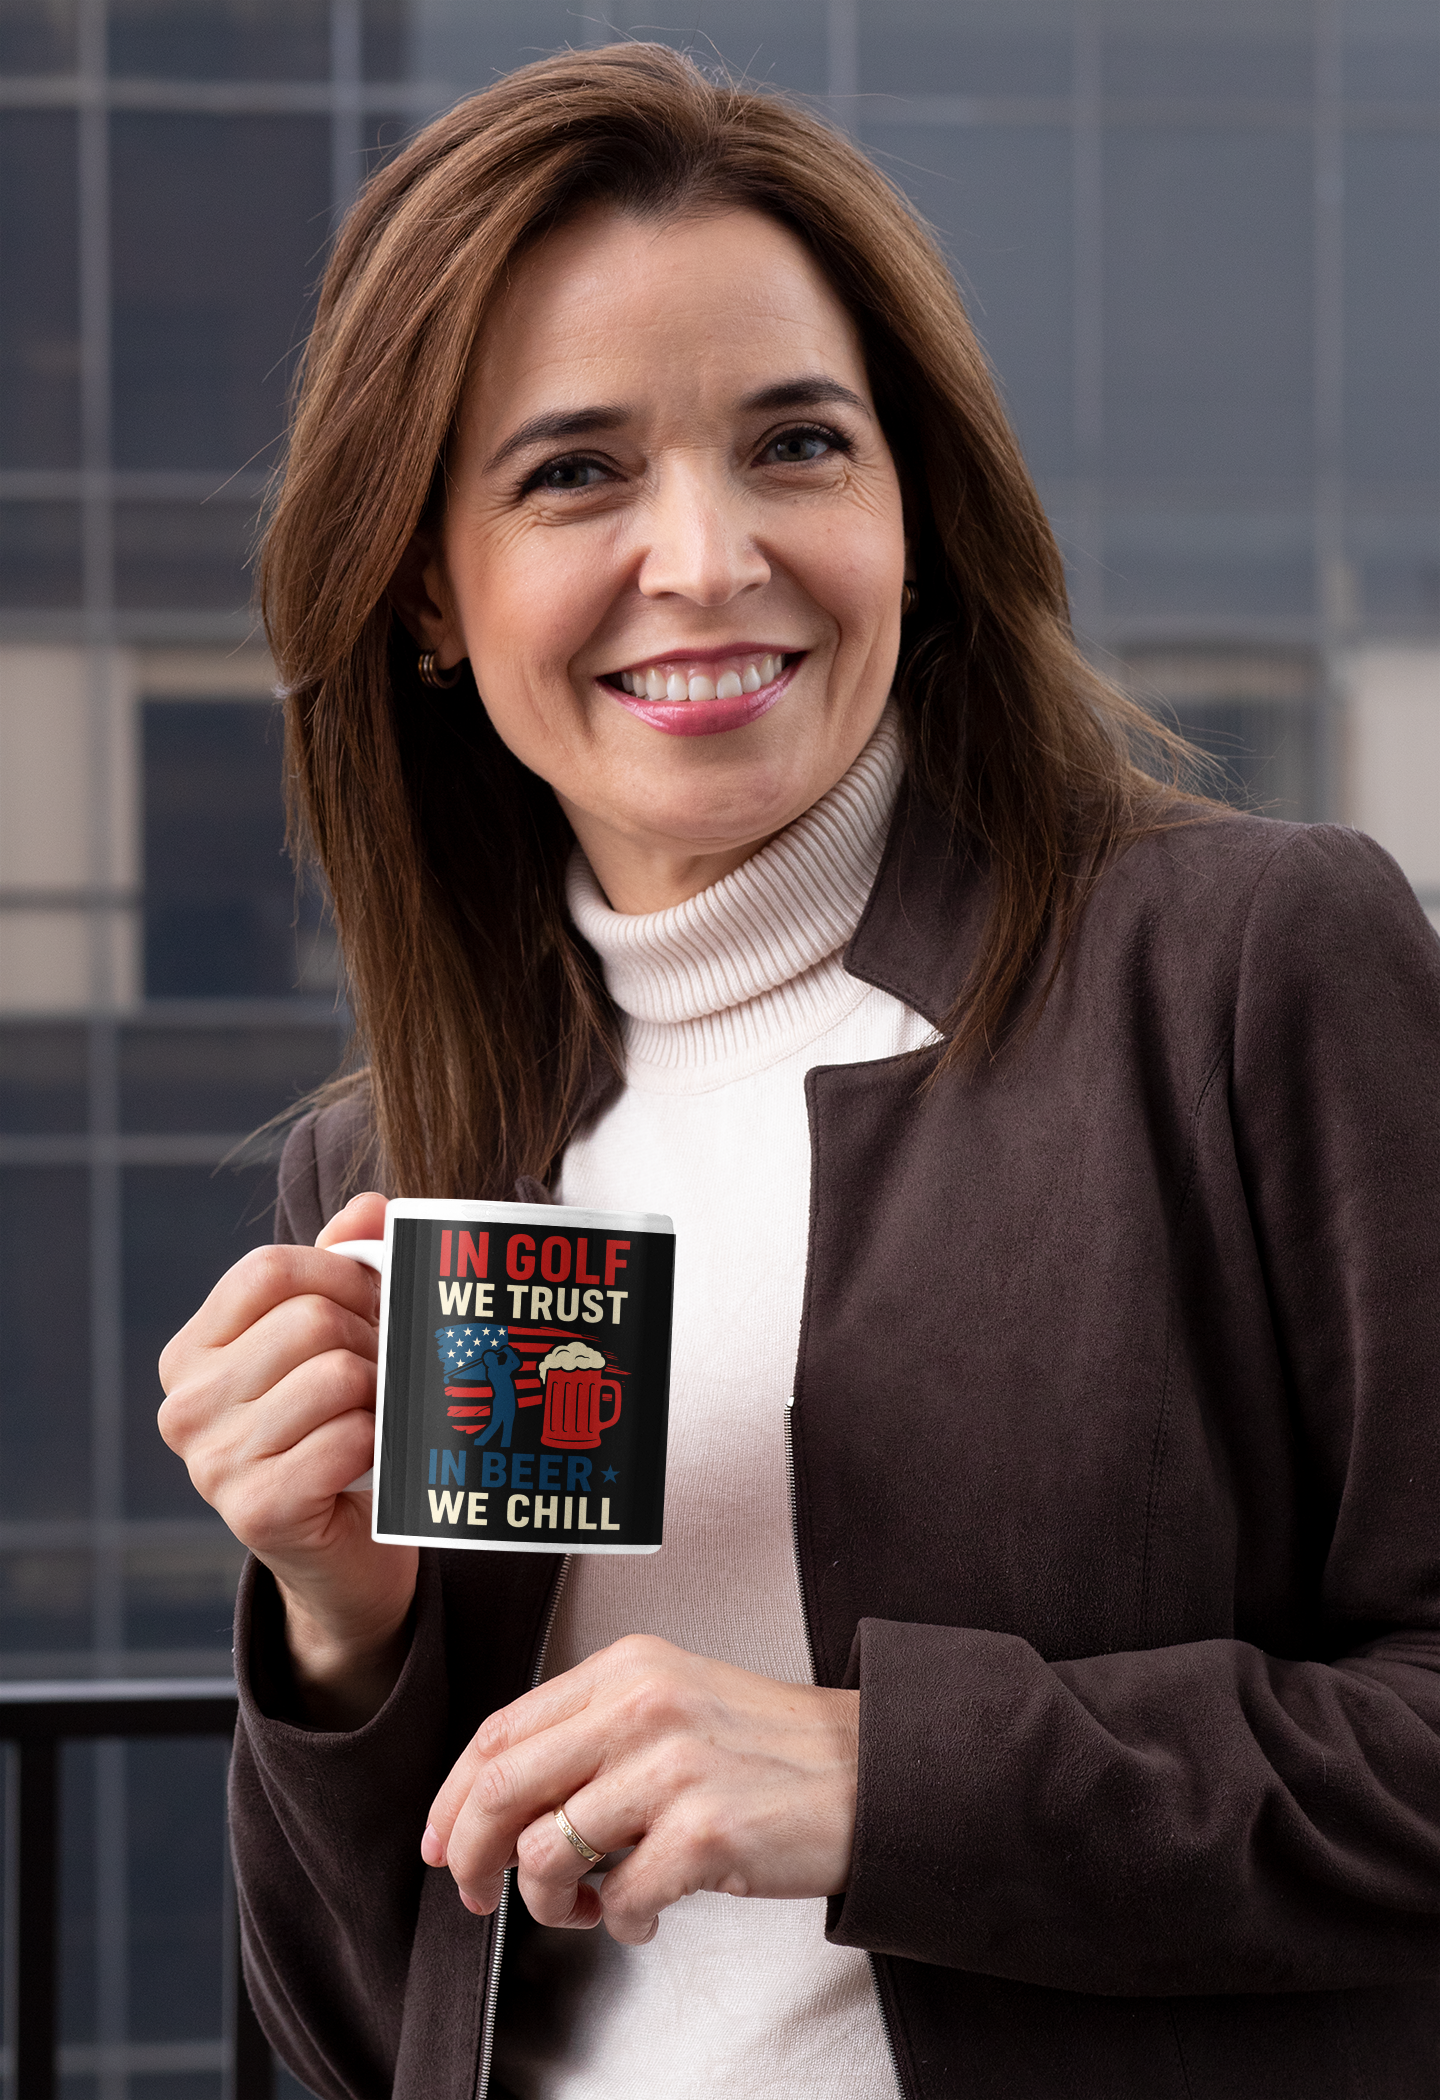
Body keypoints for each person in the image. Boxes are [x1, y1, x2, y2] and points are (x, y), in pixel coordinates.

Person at [156, 41, 1440, 2100]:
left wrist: (874, 1775)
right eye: (575, 471)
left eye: (796, 446)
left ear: (911, 506)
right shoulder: (390, 1169)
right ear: (421, 590)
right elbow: (341, 2030)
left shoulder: (1245, 971)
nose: (710, 556)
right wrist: (341, 1629)